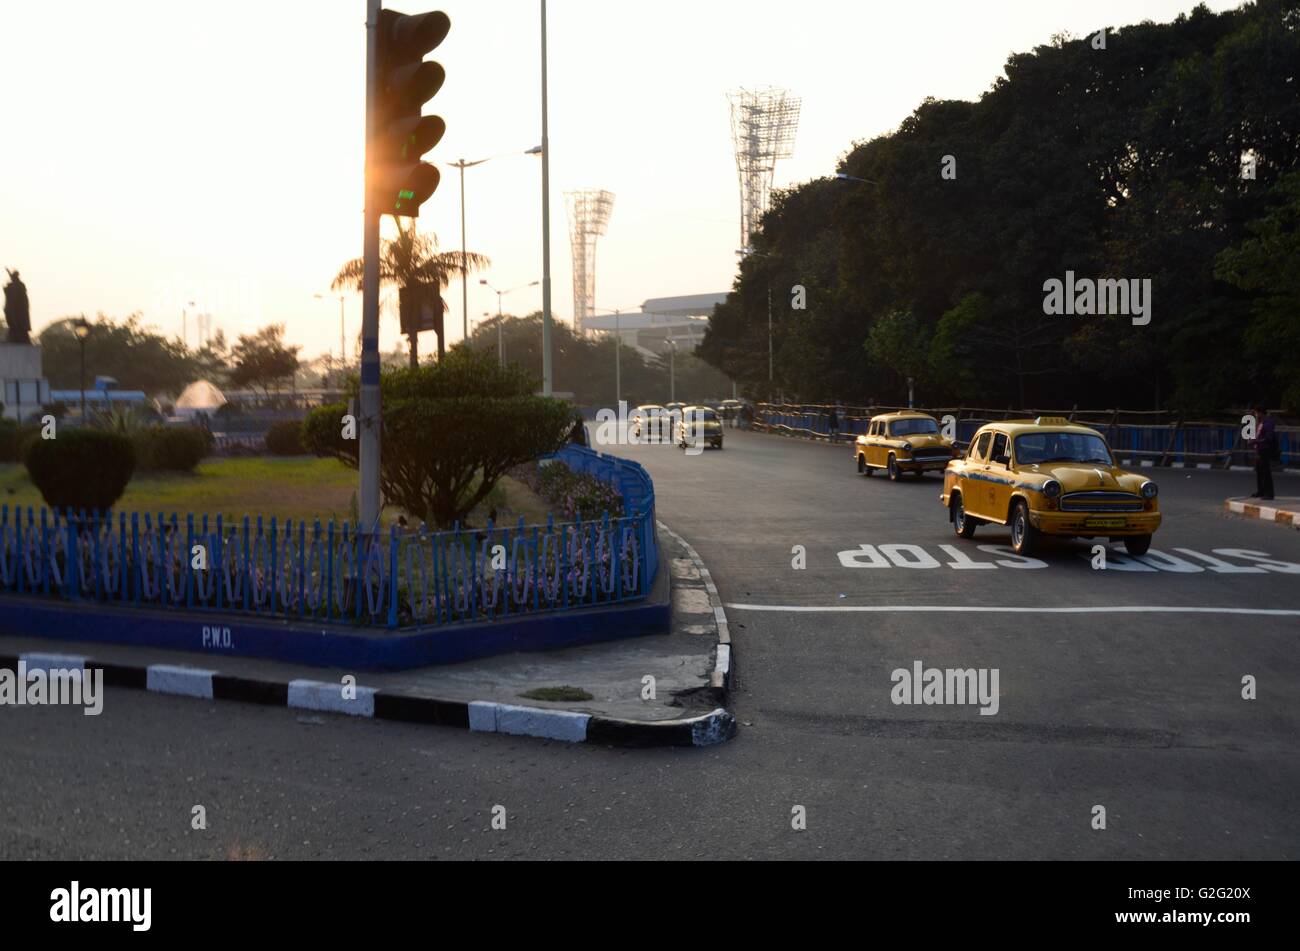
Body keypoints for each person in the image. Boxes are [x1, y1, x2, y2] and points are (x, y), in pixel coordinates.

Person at [1251, 405, 1276, 500]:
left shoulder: (1269, 423)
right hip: (1259, 449)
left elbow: (1268, 438)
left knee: (1265, 472)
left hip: (1265, 449)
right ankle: (1261, 491)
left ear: (1261, 413)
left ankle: (1269, 493)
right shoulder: (1261, 423)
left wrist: (1256, 441)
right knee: (1259, 471)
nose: (1256, 415)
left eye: (1256, 413)